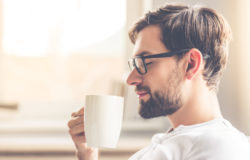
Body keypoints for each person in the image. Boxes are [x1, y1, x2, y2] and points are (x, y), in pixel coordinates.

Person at [67, 3, 250, 160]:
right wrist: (88, 154)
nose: (131, 79)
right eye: (135, 64)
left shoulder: (222, 149)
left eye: (146, 62)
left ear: (191, 64)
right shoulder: (171, 143)